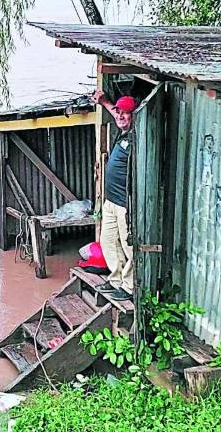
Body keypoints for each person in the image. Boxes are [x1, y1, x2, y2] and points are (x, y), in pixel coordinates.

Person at [91, 89, 138, 302]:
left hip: (124, 203)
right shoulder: (122, 129)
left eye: (125, 113)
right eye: (118, 112)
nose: (120, 116)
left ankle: (129, 287)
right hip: (110, 201)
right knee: (108, 241)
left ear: (135, 115)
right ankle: (116, 280)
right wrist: (105, 102)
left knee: (129, 246)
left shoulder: (137, 135)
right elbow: (115, 113)